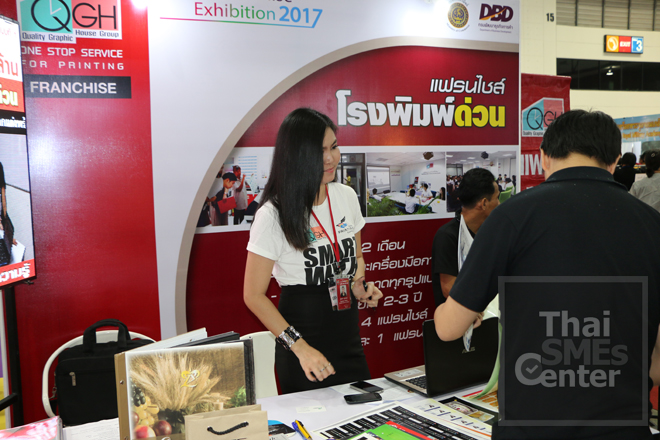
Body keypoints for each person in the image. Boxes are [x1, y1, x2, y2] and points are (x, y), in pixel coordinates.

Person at [434, 110, 660, 439]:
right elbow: (656, 362)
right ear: (613, 162)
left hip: (532, 426)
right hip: (623, 427)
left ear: (543, 157)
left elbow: (448, 328)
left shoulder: (511, 217)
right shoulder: (651, 224)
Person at [243, 108, 383, 394]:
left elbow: (356, 257)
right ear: (297, 156)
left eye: (334, 147)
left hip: (348, 341)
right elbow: (253, 295)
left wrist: (359, 286)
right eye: (320, 151)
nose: (331, 158)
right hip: (303, 350)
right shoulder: (273, 214)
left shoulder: (346, 196)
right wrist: (300, 348)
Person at [431, 168, 499, 306]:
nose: (499, 204)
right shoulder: (447, 236)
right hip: (463, 314)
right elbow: (449, 289)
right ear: (484, 203)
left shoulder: (491, 232)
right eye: (497, 198)